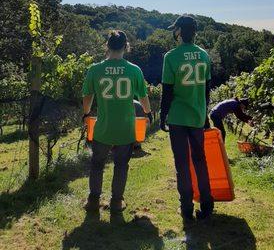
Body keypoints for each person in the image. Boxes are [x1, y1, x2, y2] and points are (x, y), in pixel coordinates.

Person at [82, 30, 152, 214]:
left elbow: (87, 96)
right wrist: (148, 113)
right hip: (125, 129)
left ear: (107, 45)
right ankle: (116, 202)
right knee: (121, 165)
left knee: (97, 164)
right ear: (126, 46)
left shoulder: (95, 69)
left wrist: (86, 114)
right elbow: (143, 97)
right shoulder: (134, 70)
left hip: (102, 128)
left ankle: (93, 201)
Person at [160, 15, 214, 222]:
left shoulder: (171, 57)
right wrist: (205, 113)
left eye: (175, 29)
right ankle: (207, 205)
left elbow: (167, 91)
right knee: (200, 161)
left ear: (180, 31)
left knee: (182, 163)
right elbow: (207, 89)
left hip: (178, 117)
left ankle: (186, 208)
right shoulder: (204, 55)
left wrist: (162, 116)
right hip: (197, 116)